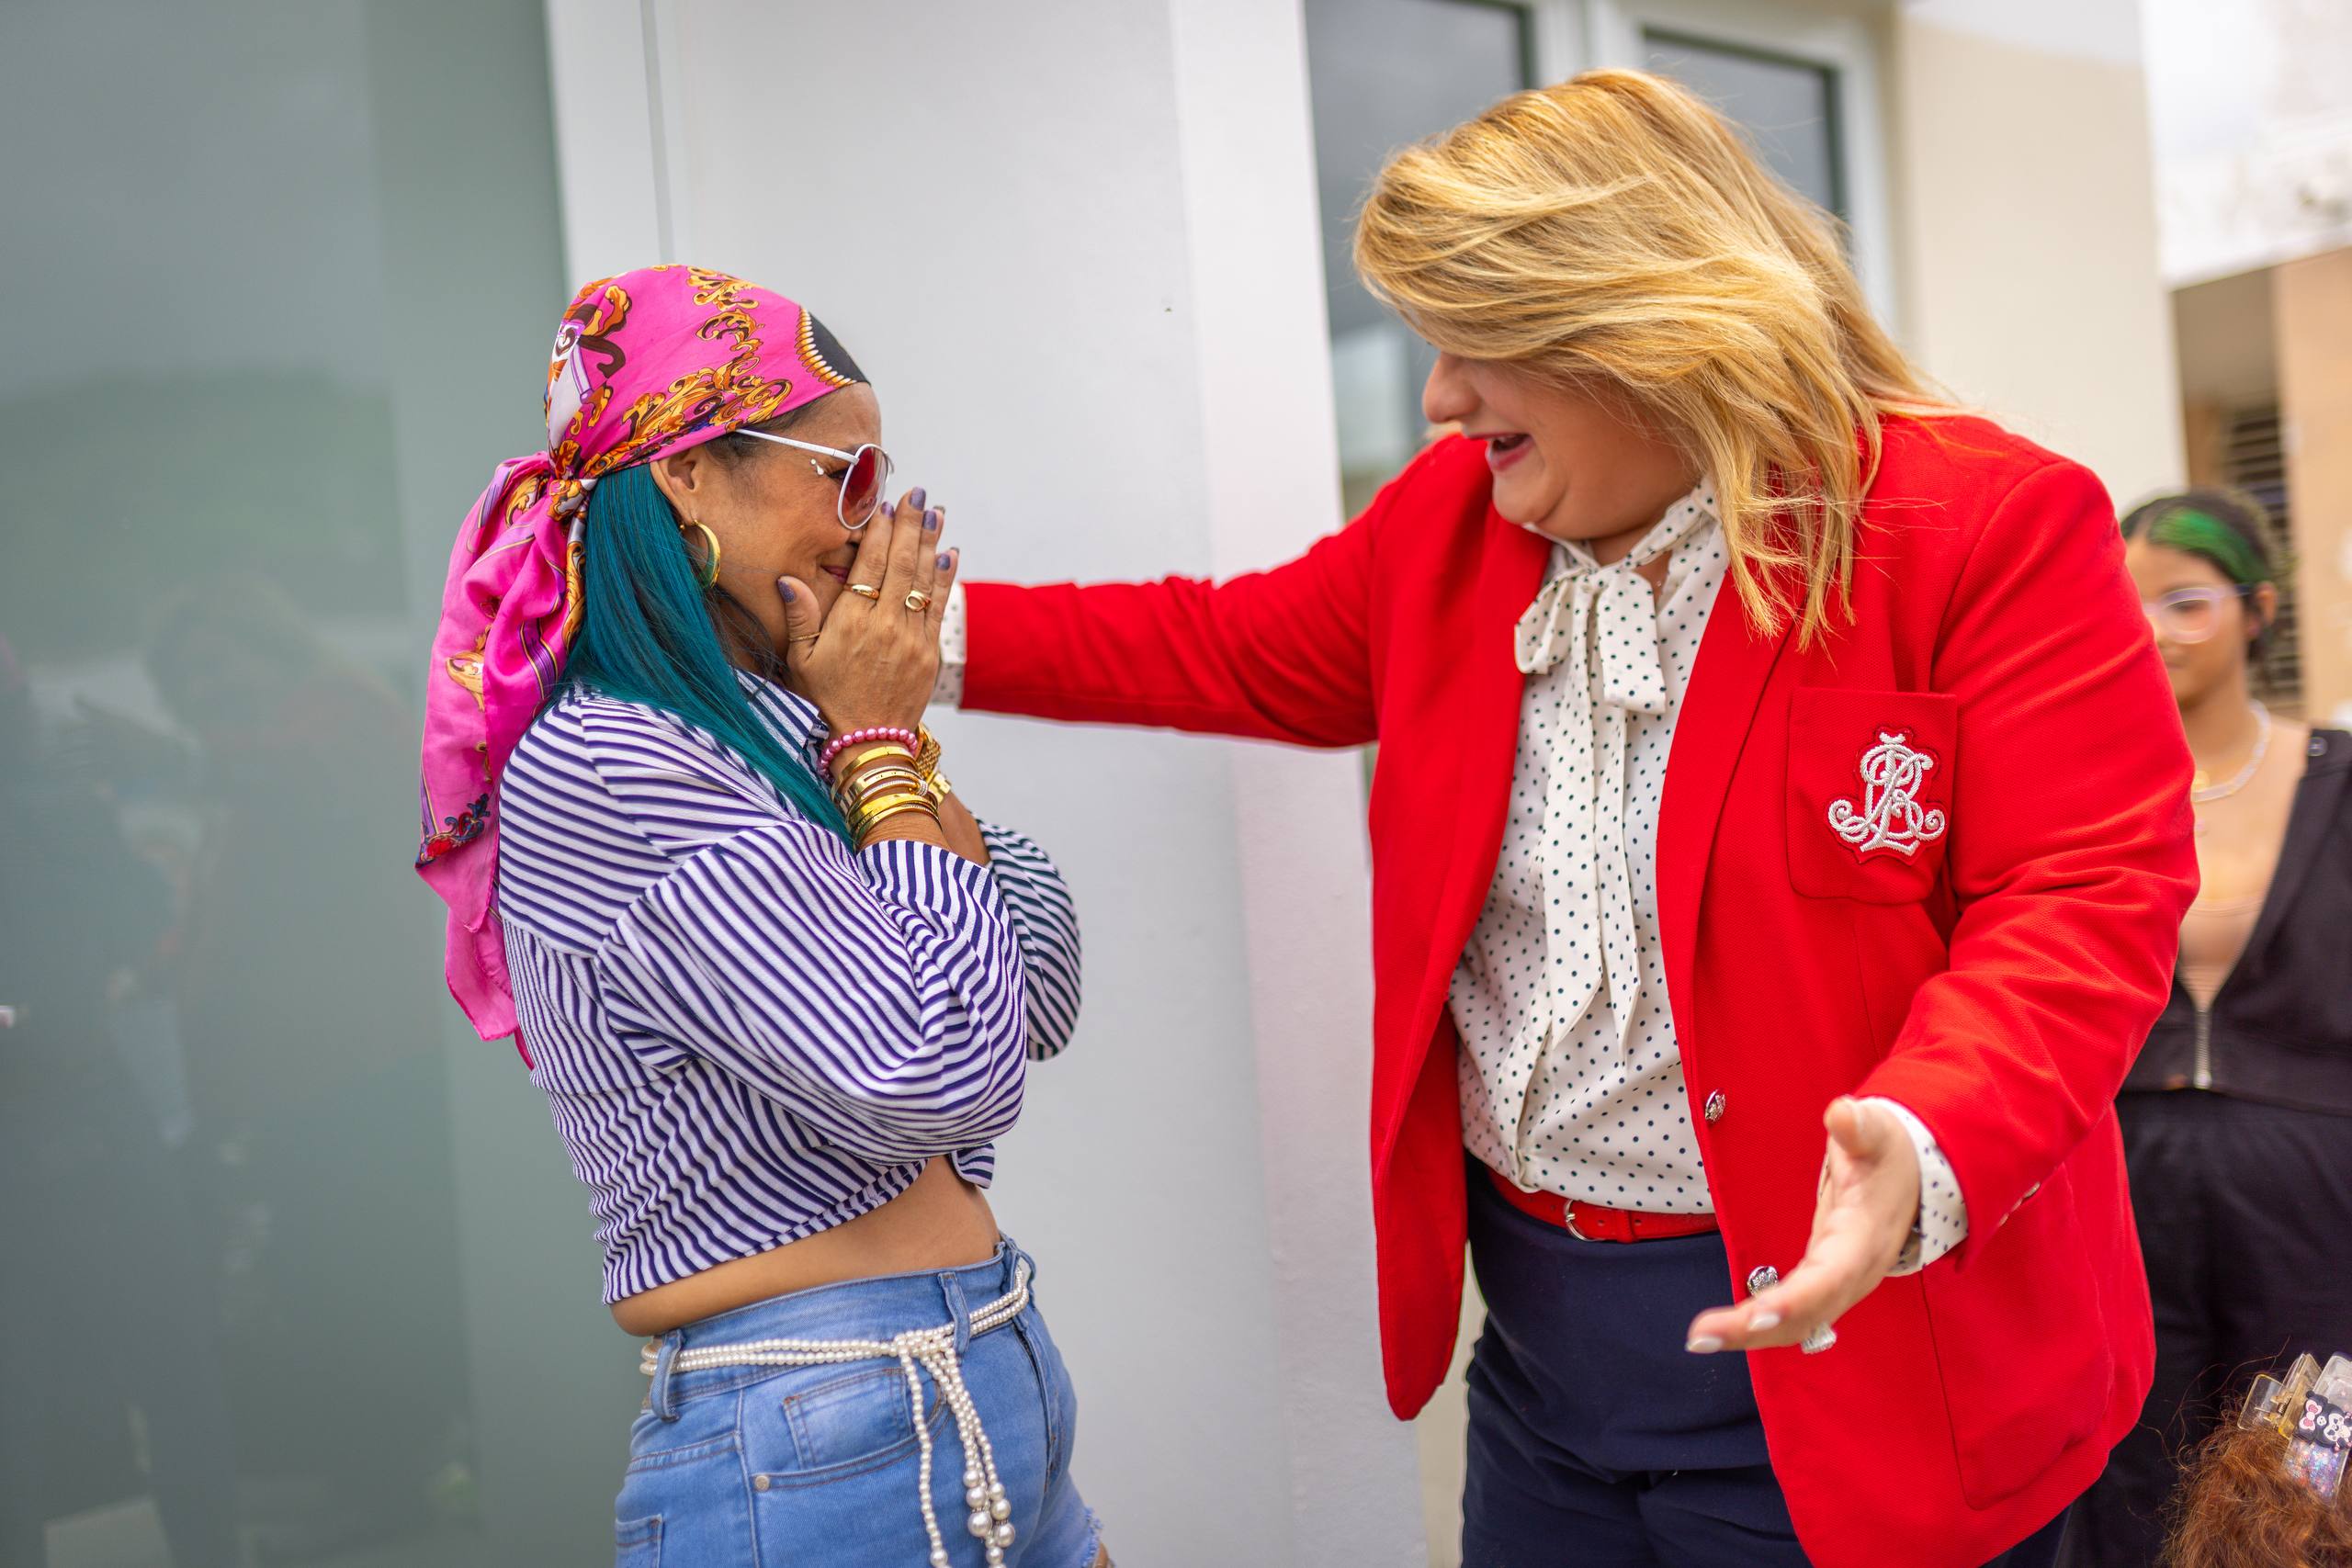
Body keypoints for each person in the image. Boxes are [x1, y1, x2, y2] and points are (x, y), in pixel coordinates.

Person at [933, 71, 2193, 1568]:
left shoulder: (1980, 522)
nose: (1438, 397)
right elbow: (1216, 647)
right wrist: (895, 629)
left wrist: (1927, 1136)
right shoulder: (1445, 529)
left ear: (1638, 321)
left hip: (1863, 1359)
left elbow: (2083, 897)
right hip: (1543, 1366)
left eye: (1477, 342)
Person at [414, 265, 1103, 1568]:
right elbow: (938, 1070)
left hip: (978, 1363)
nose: (873, 518)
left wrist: (882, 744)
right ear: (687, 473)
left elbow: (1038, 990)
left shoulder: (783, 723)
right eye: (844, 474)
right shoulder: (609, 762)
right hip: (823, 1420)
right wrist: (880, 745)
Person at [2064, 491, 2352, 1567]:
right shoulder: (2077, 787)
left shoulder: (2337, 776)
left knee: (2314, 1463)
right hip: (2123, 1185)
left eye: (2184, 602)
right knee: (2126, 1459)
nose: (2153, 631)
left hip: (2317, 1199)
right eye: (2125, 603)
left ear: (2256, 608)